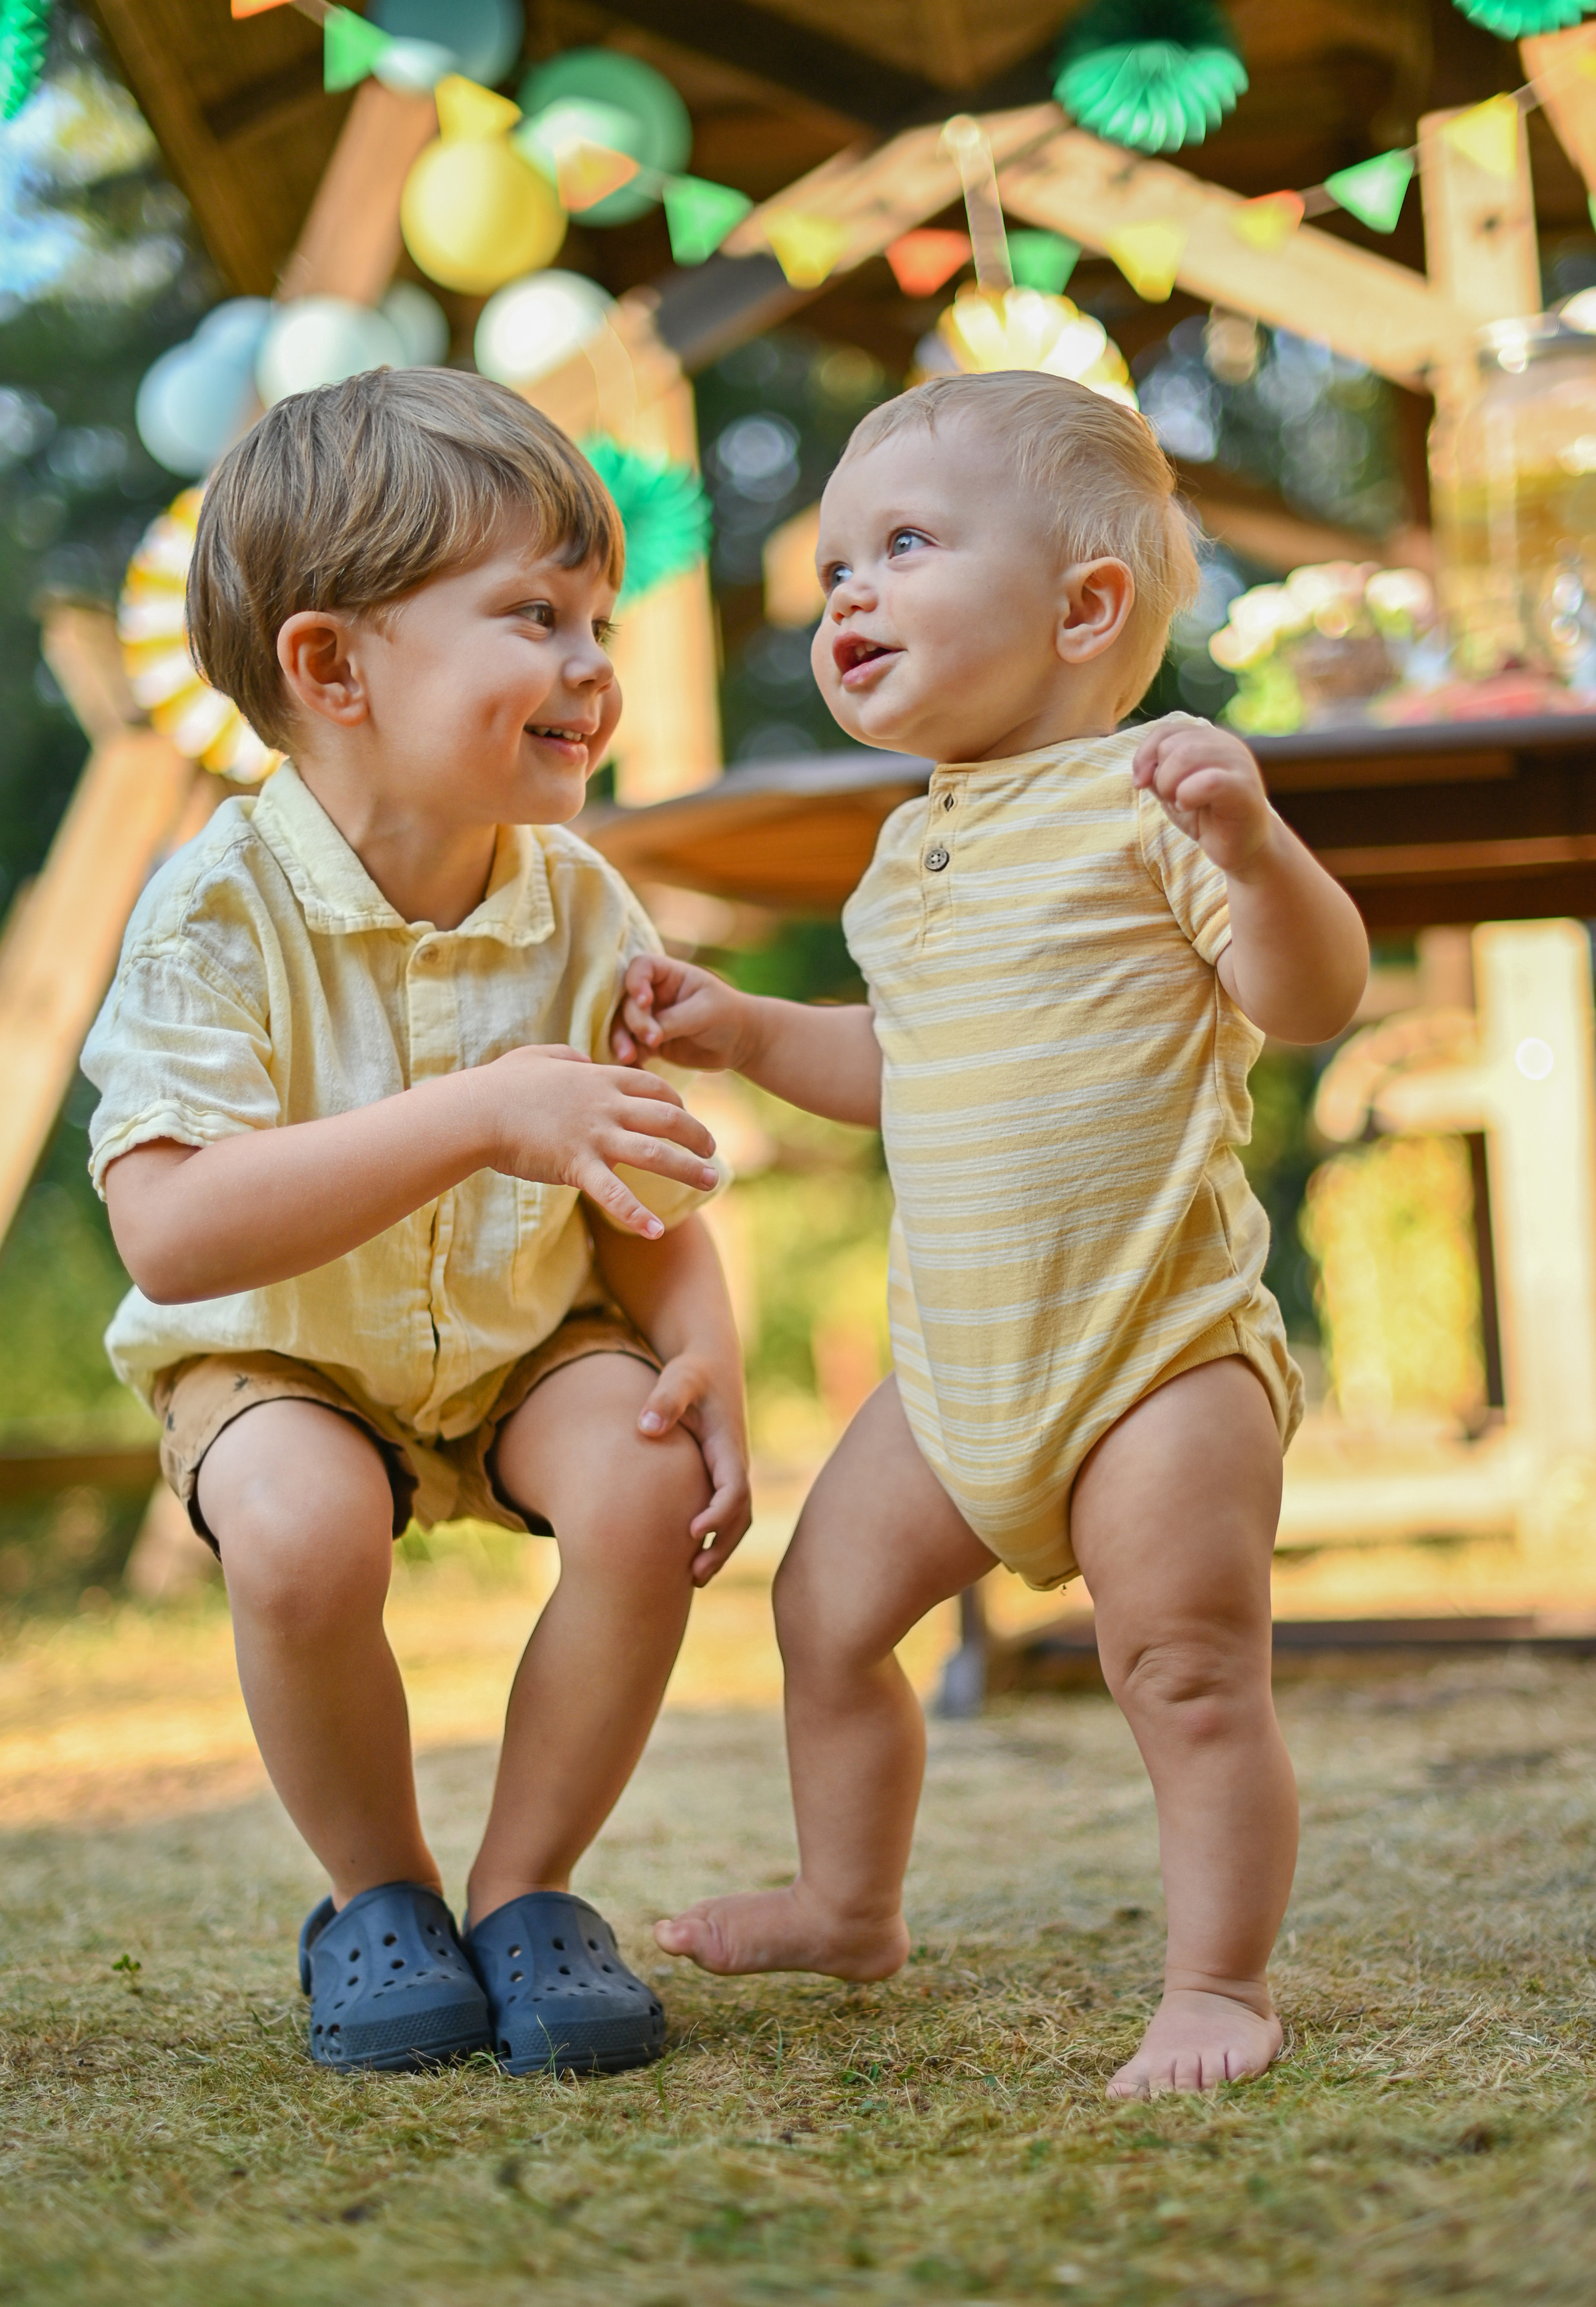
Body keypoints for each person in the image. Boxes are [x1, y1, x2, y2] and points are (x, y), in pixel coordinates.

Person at [614, 370, 1369, 2099]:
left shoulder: (1154, 803)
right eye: (832, 572)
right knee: (823, 1612)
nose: (848, 593)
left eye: (901, 546)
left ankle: (1220, 1981)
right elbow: (904, 1064)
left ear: (1085, 605)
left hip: (1158, 1357)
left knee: (1183, 1666)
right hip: (958, 1368)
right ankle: (850, 1899)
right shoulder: (906, 855)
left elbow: (1309, 995)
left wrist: (1254, 852)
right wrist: (743, 1030)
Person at [82, 369, 750, 2078]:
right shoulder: (214, 911)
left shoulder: (581, 899)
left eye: (598, 616)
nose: (595, 663)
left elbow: (638, 1182)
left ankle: (529, 1897)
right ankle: (376, 1898)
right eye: (535, 614)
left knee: (644, 1477)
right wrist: (472, 1113)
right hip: (283, 1356)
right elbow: (169, 1232)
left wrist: (702, 1347)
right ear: (332, 668)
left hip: (528, 1342)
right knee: (302, 1535)